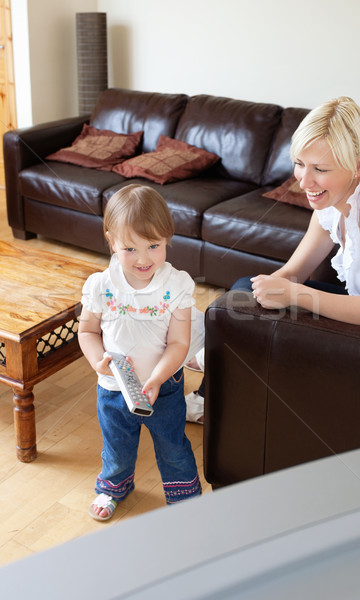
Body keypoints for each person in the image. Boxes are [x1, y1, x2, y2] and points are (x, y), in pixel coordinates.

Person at [185, 95, 360, 422]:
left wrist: (295, 295)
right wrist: (256, 298)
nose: (303, 182)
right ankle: (211, 389)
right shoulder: (329, 211)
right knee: (244, 290)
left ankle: (208, 398)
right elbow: (294, 271)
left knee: (251, 306)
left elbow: (297, 288)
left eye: (320, 169)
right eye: (300, 164)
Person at [79, 184, 204, 521]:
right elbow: (88, 331)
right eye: (130, 249)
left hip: (164, 388)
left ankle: (186, 498)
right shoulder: (100, 285)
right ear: (111, 241)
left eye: (154, 246)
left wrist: (158, 377)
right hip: (113, 390)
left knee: (173, 447)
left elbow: (179, 343)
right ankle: (112, 487)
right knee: (116, 448)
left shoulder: (176, 285)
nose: (144, 258)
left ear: (167, 237)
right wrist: (97, 361)